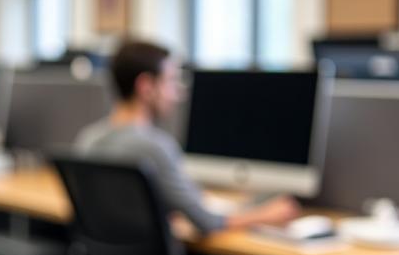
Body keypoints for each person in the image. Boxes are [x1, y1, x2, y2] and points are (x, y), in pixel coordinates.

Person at [76, 38, 300, 233]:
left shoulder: (88, 140)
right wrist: (266, 214)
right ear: (146, 86)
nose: (178, 94)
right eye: (171, 81)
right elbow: (206, 223)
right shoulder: (155, 146)